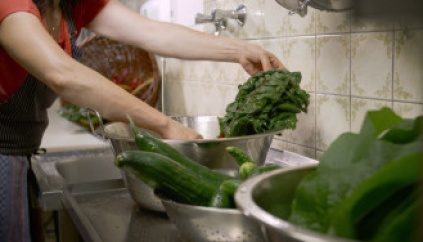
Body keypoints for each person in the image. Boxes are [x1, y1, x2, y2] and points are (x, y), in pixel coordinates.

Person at [0, 0, 285, 241]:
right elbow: (63, 74)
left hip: (19, 154)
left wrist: (236, 51)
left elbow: (152, 33)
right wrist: (165, 125)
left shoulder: (71, 5)